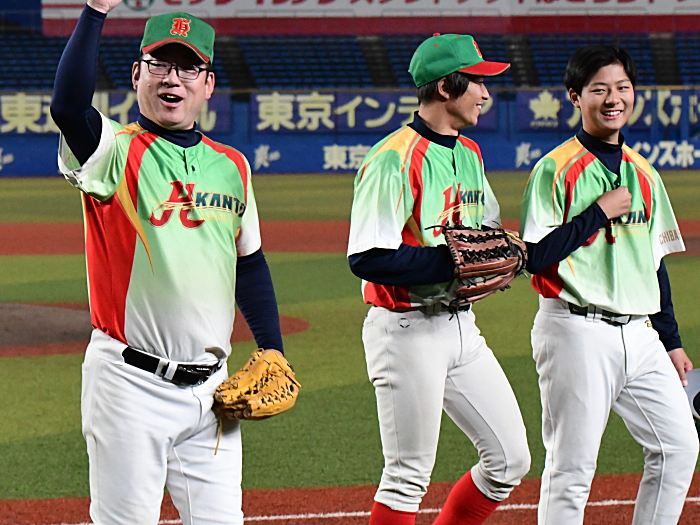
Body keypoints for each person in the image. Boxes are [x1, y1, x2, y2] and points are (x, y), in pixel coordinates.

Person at [50, 1, 287, 523]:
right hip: (130, 386)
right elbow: (68, 108)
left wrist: (272, 346)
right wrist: (95, 11)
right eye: (159, 64)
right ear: (137, 75)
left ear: (208, 83)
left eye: (187, 67)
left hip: (213, 393)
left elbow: (249, 263)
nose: (171, 78)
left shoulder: (233, 166)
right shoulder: (113, 152)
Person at [347, 34, 531, 525]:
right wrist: (453, 263)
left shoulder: (468, 151)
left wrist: (498, 249)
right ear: (446, 88)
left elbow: (484, 230)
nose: (486, 93)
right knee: (407, 476)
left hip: (461, 327)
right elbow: (368, 257)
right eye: (477, 82)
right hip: (406, 329)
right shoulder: (393, 158)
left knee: (510, 460)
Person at [520, 44, 699, 525]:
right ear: (575, 97)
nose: (613, 98)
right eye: (599, 89)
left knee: (679, 447)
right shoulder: (555, 169)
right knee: (572, 469)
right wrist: (597, 213)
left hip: (640, 336)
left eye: (622, 87)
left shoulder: (645, 173)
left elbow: (653, 264)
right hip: (576, 331)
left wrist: (671, 340)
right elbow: (535, 257)